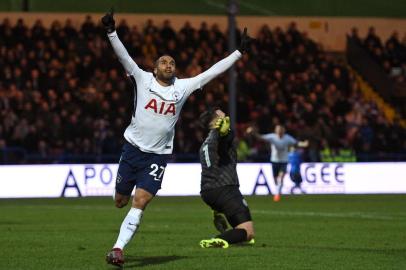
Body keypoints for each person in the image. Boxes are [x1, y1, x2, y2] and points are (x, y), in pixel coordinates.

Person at [101, 9, 253, 267]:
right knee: (120, 200)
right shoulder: (141, 79)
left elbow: (211, 72)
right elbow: (124, 57)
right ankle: (121, 228)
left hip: (158, 156)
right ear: (155, 67)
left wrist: (238, 52)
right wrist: (111, 32)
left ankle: (118, 249)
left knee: (141, 201)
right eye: (163, 62)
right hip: (132, 150)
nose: (168, 65)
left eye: (171, 63)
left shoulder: (182, 88)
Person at [198, 108, 255, 248]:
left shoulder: (206, 142)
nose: (225, 114)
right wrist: (225, 133)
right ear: (217, 119)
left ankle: (219, 213)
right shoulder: (219, 134)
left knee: (240, 230)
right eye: (221, 113)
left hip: (208, 192)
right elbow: (224, 139)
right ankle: (216, 240)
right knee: (248, 232)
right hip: (224, 188)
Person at [247, 125, 308, 202]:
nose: (279, 131)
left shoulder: (287, 138)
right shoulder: (272, 137)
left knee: (281, 177)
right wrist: (253, 133)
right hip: (274, 161)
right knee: (275, 179)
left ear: (283, 131)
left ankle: (277, 194)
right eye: (278, 130)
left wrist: (304, 144)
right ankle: (277, 189)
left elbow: (296, 143)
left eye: (281, 130)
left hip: (284, 161)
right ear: (276, 131)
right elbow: (261, 137)